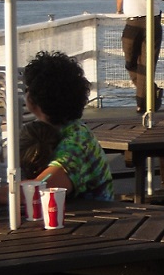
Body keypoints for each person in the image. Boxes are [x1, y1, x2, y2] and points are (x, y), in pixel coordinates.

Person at [23, 50, 114, 201]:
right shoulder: (74, 129)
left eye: (27, 89)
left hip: (94, 219)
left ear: (33, 99)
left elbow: (35, 190)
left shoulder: (75, 145)